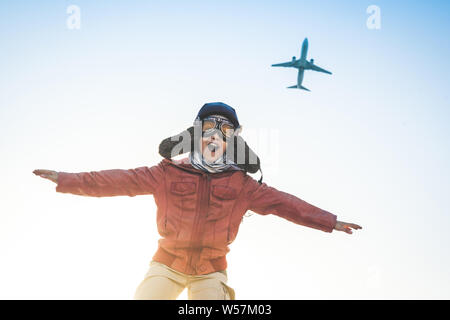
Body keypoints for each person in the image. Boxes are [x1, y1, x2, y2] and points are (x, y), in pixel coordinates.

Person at [33, 102, 362, 300]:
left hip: (210, 273)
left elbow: (285, 204)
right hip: (167, 264)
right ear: (196, 134)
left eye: (225, 132)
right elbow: (117, 181)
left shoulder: (242, 184)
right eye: (208, 129)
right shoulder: (167, 173)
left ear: (233, 140)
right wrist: (66, 179)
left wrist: (329, 221)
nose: (215, 136)